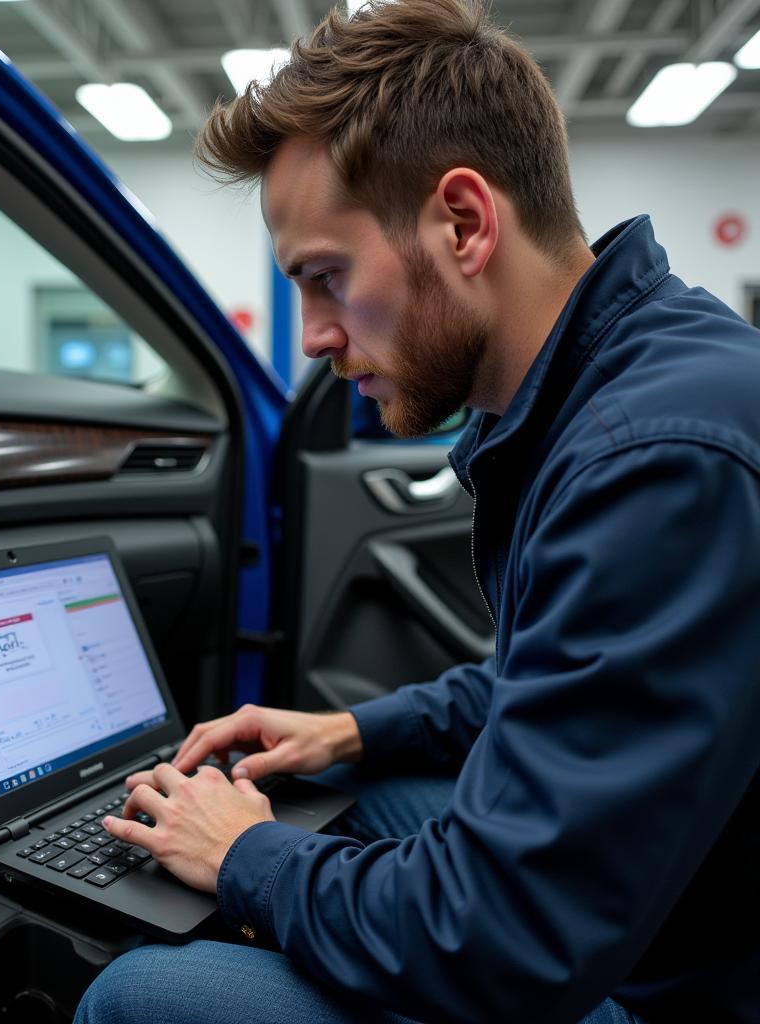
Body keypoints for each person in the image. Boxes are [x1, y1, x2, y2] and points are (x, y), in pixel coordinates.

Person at [75, 1, 760, 1021]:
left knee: (139, 996)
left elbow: (503, 937)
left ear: (463, 222)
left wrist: (243, 855)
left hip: (680, 987)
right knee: (354, 803)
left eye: (326, 278)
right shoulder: (637, 377)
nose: (310, 336)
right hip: (668, 906)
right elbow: (562, 680)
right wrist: (348, 731)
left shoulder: (654, 462)